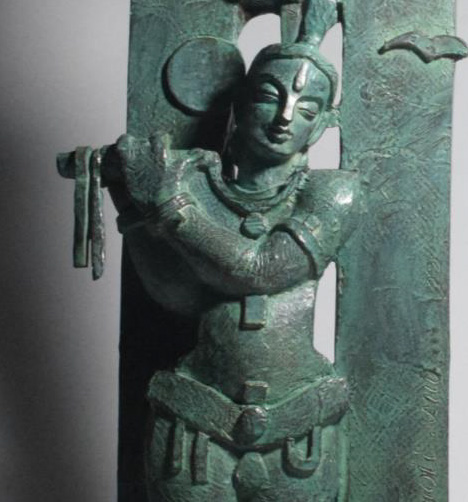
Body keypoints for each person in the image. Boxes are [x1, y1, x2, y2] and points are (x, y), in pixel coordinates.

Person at [115, 42, 361, 502]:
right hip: (195, 421)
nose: (285, 117)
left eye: (306, 108)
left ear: (322, 124)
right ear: (239, 103)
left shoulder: (334, 194)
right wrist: (130, 201)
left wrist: (166, 208)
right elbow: (177, 299)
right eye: (269, 96)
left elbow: (260, 270)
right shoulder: (196, 188)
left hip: (298, 427)